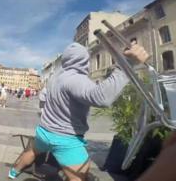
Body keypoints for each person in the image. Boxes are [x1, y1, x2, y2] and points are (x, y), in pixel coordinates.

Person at [8, 42, 149, 181]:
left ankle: (13, 172)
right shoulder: (77, 79)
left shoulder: (55, 78)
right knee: (79, 177)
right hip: (66, 140)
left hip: (44, 131)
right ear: (84, 60)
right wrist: (128, 64)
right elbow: (102, 98)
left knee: (31, 151)